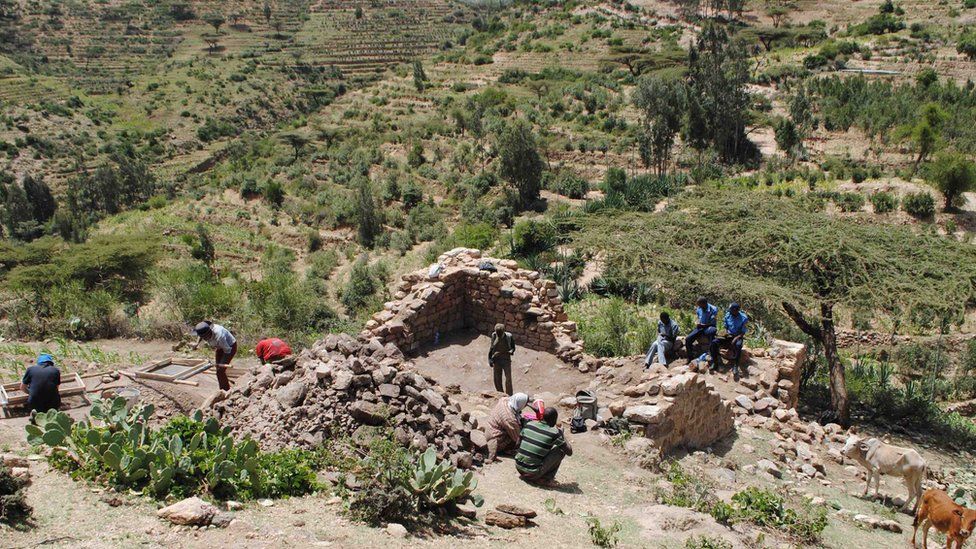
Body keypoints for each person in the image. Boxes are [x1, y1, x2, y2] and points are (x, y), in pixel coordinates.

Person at [515, 408, 573, 486]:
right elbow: (569, 452)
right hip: (532, 473)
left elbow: (517, 444)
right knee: (561, 450)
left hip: (519, 467)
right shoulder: (554, 433)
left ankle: (529, 473)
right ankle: (545, 479)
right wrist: (562, 434)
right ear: (553, 420)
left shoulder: (529, 424)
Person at [192, 321, 237, 391]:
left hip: (229, 347)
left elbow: (227, 350)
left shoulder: (219, 336)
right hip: (219, 347)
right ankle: (225, 383)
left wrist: (221, 364)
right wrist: (197, 343)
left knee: (220, 371)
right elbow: (200, 335)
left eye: (205, 337)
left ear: (208, 333)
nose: (204, 339)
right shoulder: (204, 330)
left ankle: (225, 391)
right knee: (218, 369)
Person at [484, 393, 529, 462]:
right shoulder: (509, 419)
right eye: (525, 405)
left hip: (489, 431)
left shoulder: (504, 401)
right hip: (496, 440)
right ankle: (507, 450)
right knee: (521, 439)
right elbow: (517, 438)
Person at [711, 302, 748, 378]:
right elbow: (726, 327)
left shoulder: (744, 318)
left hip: (738, 336)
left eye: (731, 310)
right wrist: (724, 333)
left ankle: (735, 366)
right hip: (728, 335)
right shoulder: (728, 315)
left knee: (738, 345)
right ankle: (715, 362)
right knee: (714, 343)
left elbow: (743, 332)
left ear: (736, 310)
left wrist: (735, 338)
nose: (729, 311)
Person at [685, 297, 718, 363]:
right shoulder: (699, 308)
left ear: (705, 303)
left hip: (709, 326)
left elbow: (713, 322)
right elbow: (698, 318)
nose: (699, 307)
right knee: (688, 339)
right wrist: (698, 323)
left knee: (712, 333)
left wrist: (705, 325)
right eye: (698, 305)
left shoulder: (713, 309)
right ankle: (690, 357)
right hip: (700, 327)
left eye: (700, 305)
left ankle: (712, 357)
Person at [488, 323, 516, 395]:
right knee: (497, 378)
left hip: (506, 359)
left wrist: (511, 351)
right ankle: (500, 394)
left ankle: (509, 395)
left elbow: (513, 347)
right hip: (496, 359)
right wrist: (490, 359)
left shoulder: (509, 336)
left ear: (504, 331)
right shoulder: (494, 336)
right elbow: (491, 348)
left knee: (508, 379)